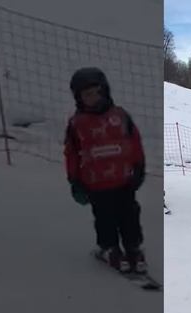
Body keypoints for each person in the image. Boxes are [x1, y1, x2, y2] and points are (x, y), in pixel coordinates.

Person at [64, 67, 147, 273]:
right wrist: (74, 180)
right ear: (78, 98)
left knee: (130, 216)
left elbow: (135, 143)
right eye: (86, 95)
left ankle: (133, 249)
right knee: (104, 218)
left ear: (105, 91)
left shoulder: (120, 116)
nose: (92, 98)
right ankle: (111, 248)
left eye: (95, 93)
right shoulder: (77, 124)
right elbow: (72, 153)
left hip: (124, 181)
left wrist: (139, 168)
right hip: (96, 184)